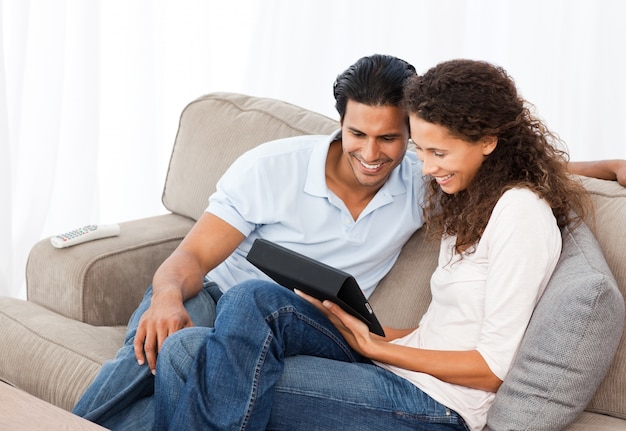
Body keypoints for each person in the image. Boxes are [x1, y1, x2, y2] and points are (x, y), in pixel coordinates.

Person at [73, 54, 624, 430]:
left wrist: (375, 346)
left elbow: (492, 365)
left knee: (192, 355)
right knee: (233, 305)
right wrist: (366, 331)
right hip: (372, 356)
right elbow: (445, 325)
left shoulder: (503, 207)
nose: (417, 166)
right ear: (339, 124)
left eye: (416, 147)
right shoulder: (462, 197)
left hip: (437, 404)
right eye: (422, 152)